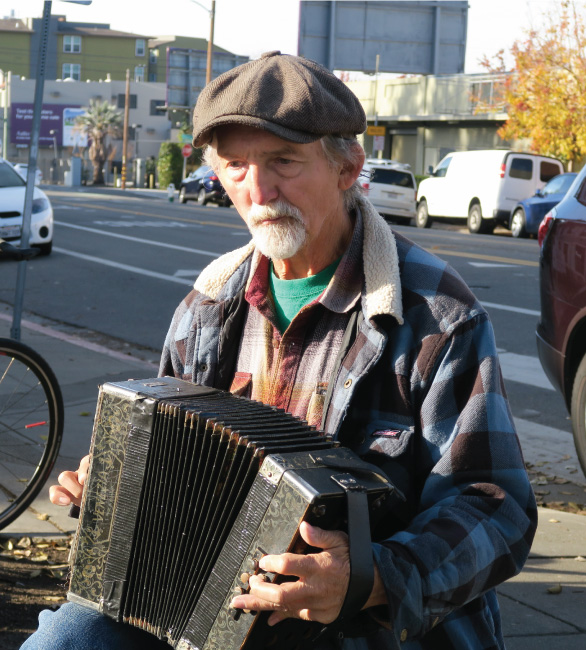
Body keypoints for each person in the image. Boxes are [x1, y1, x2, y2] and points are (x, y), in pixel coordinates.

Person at [22, 51, 537, 650]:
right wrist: (114, 486)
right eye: (235, 165)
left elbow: (496, 508)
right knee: (68, 638)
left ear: (349, 168)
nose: (258, 190)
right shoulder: (206, 308)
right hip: (211, 611)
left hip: (368, 629)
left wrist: (369, 578)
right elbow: (164, 471)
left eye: (283, 162)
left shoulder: (436, 316)